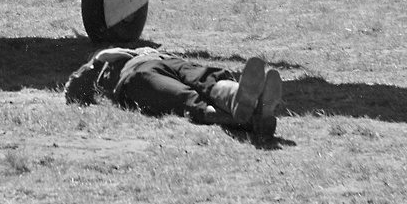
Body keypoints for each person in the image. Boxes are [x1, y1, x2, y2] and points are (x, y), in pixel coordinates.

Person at [65, 48, 284, 144]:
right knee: (184, 98)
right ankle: (253, 116)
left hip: (170, 61)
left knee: (207, 80)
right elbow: (73, 92)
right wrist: (97, 60)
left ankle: (242, 98)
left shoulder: (144, 48)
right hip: (136, 73)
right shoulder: (103, 66)